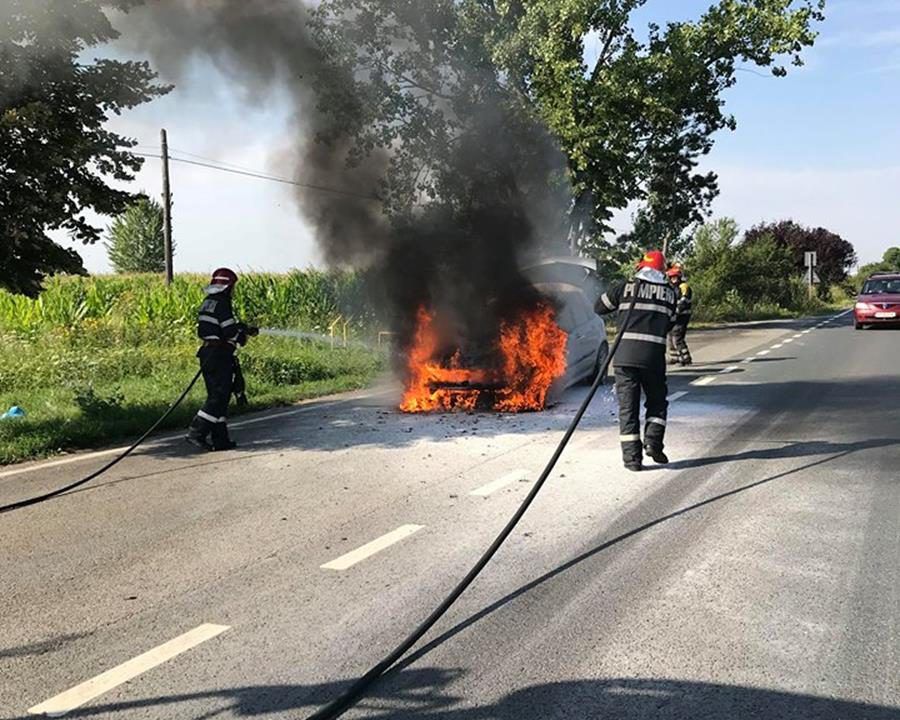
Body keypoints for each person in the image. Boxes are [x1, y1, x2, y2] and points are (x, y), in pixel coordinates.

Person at [595, 250, 678, 472]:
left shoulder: (624, 287)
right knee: (657, 402)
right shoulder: (671, 294)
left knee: (628, 408)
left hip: (624, 357)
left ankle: (632, 460)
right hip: (653, 357)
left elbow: (599, 307)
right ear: (662, 270)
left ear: (641, 267)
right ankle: (653, 442)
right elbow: (671, 323)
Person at [186, 268, 258, 451]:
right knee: (219, 397)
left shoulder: (209, 302)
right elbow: (229, 332)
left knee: (219, 397)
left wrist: (241, 327)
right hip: (219, 356)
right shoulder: (223, 303)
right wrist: (241, 333)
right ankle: (197, 431)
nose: (233, 290)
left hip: (208, 354)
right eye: (233, 287)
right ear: (227, 286)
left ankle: (221, 440)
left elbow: (217, 327)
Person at [666, 264, 694, 366]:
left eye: (675, 277)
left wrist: (676, 311)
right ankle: (674, 357)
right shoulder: (671, 288)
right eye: (671, 277)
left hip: (682, 316)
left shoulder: (684, 286)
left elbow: (684, 300)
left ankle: (686, 359)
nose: (674, 279)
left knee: (677, 336)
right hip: (673, 316)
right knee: (670, 335)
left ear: (679, 277)